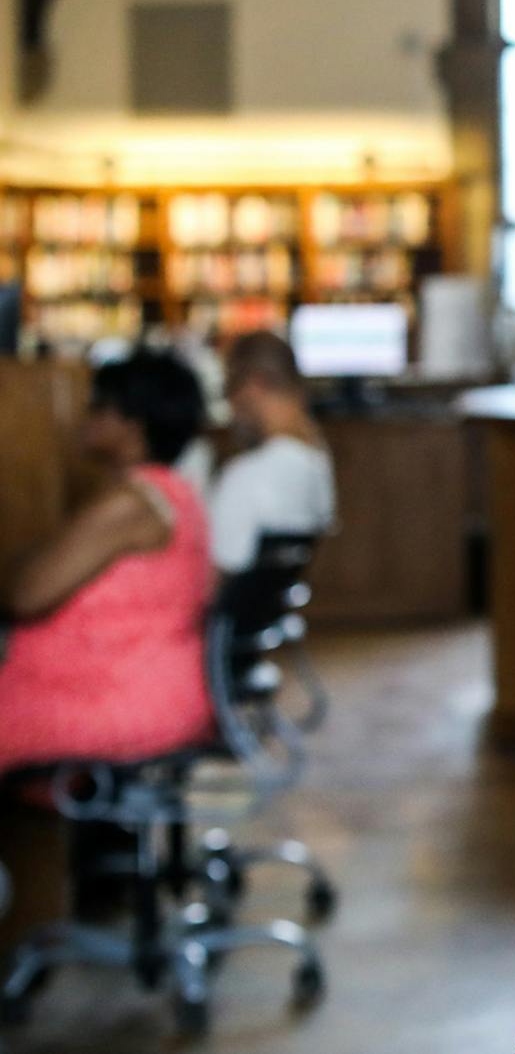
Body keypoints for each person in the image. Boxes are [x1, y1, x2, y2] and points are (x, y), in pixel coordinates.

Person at [0, 350, 215, 773]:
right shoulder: (172, 492)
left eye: (98, 406)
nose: (84, 416)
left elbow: (26, 594)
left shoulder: (130, 503)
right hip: (143, 690)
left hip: (114, 700)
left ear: (133, 424)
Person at [208, 330, 336, 573]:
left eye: (228, 388)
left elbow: (213, 576)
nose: (230, 403)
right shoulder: (318, 458)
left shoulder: (246, 476)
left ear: (253, 384)